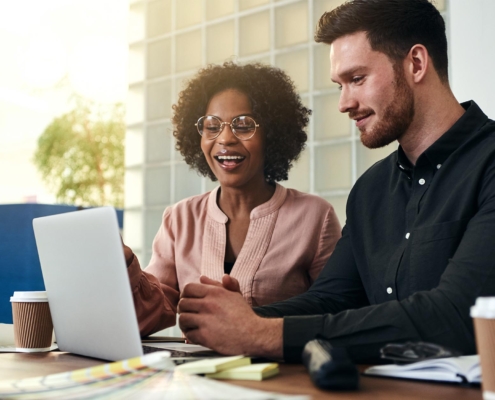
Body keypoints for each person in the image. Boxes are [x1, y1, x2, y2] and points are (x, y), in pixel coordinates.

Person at [177, 0, 495, 363]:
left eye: (357, 79)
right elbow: (331, 299)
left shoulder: (489, 165)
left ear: (416, 64)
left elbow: (456, 315)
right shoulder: (370, 191)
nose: (344, 103)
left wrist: (258, 333)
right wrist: (232, 319)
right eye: (339, 84)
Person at [125, 62, 342, 337]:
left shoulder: (315, 217)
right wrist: (125, 265)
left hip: (281, 376)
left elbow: (336, 311)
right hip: (196, 379)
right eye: (211, 126)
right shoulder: (180, 219)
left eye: (243, 125)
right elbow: (147, 316)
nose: (225, 138)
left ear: (271, 134)